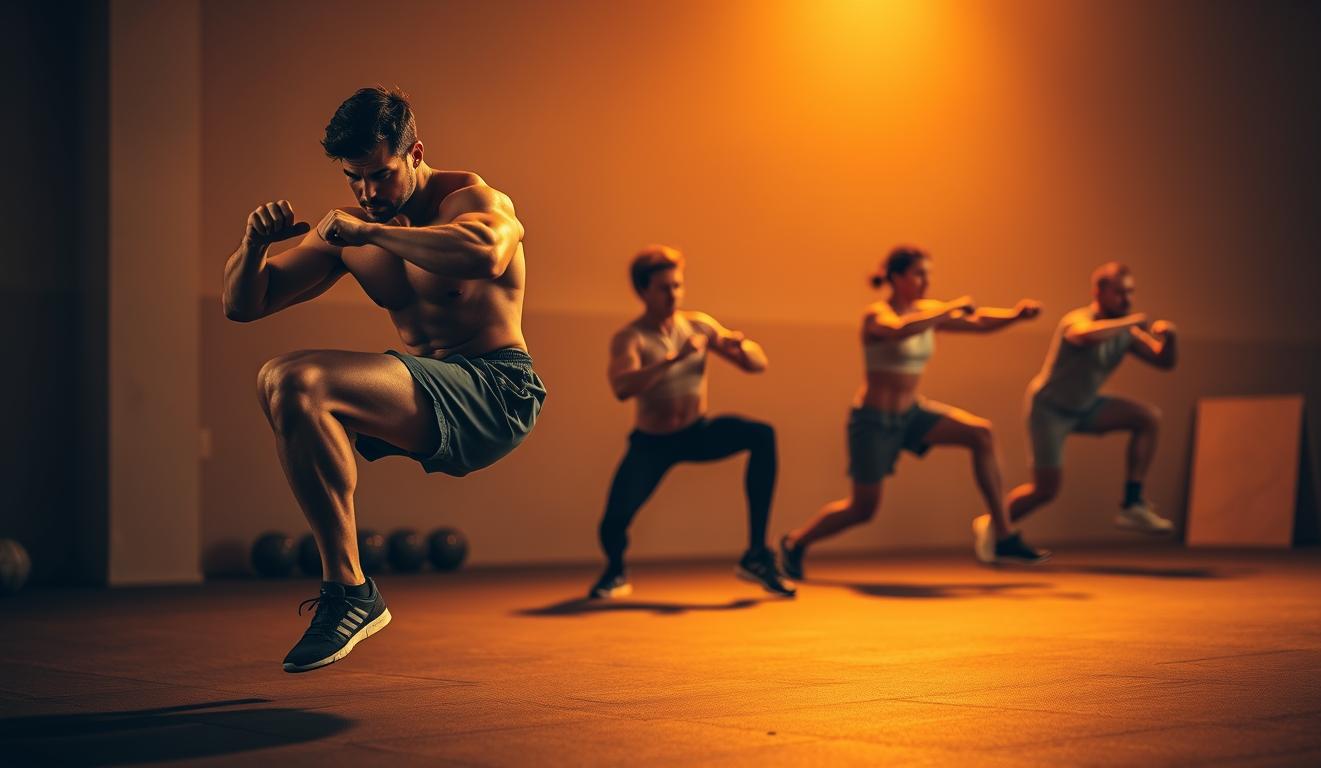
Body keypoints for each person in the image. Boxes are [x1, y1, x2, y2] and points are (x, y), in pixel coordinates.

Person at [222, 86, 545, 672]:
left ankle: (349, 592)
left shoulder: (470, 199)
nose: (368, 192)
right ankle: (349, 590)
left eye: (381, 174)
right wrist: (251, 247)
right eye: (354, 177)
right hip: (433, 388)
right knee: (285, 384)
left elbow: (487, 254)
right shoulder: (350, 229)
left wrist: (370, 234)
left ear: (415, 152)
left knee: (299, 376)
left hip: (497, 391)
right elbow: (246, 304)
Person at [779, 246, 1049, 577]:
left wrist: (1015, 315)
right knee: (862, 509)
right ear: (895, 277)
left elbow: (977, 322)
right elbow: (898, 329)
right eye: (919, 274)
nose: (926, 281)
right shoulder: (876, 315)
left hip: (913, 415)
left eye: (929, 274)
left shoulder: (929, 312)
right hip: (873, 421)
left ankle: (1004, 534)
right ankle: (795, 542)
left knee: (981, 433)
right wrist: (947, 310)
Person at [589, 245, 795, 599]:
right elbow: (622, 387)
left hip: (697, 432)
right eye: (663, 288)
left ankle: (757, 555)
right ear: (642, 291)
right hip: (653, 442)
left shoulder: (697, 323)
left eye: (677, 286)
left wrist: (739, 346)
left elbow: (758, 364)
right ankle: (615, 571)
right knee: (612, 523)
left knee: (762, 435)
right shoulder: (631, 337)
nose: (673, 295)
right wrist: (674, 358)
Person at [1005, 262, 1177, 537]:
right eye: (1120, 293)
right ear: (1098, 292)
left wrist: (1170, 338)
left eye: (1130, 293)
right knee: (1045, 490)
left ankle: (1132, 504)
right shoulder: (1077, 319)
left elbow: (1164, 361)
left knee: (1147, 418)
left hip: (1086, 407)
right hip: (1049, 410)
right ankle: (994, 526)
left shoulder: (1126, 333)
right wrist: (1131, 322)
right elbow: (1084, 336)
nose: (1127, 300)